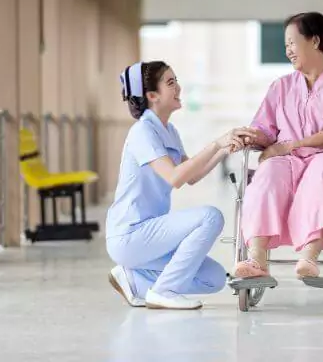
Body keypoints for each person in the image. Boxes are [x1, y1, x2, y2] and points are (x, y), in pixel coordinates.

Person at [106, 60, 259, 310]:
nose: (179, 87)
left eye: (176, 81)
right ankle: (164, 291)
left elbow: (192, 176)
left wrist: (226, 148)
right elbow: (175, 177)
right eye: (170, 82)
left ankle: (134, 281)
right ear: (152, 95)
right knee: (210, 217)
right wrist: (216, 143)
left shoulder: (169, 130)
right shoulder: (142, 131)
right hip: (131, 234)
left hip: (150, 236)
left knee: (214, 279)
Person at [233, 12, 323, 280]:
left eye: (292, 43)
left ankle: (310, 256)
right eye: (286, 45)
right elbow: (265, 128)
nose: (288, 51)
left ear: (315, 41)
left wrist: (293, 144)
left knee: (320, 173)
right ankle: (257, 259)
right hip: (290, 158)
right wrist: (253, 137)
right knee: (268, 173)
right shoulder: (281, 87)